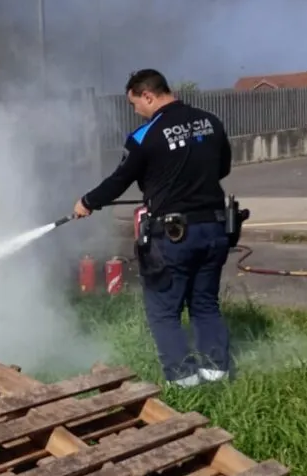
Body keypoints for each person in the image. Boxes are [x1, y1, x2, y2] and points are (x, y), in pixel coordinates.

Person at [73, 68, 234, 388]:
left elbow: (119, 181)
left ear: (148, 95)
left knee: (164, 310)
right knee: (204, 303)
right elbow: (224, 167)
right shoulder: (210, 121)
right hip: (215, 230)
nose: (136, 111)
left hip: (174, 236)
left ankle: (183, 380)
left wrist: (87, 202)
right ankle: (217, 374)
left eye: (136, 104)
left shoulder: (144, 136)